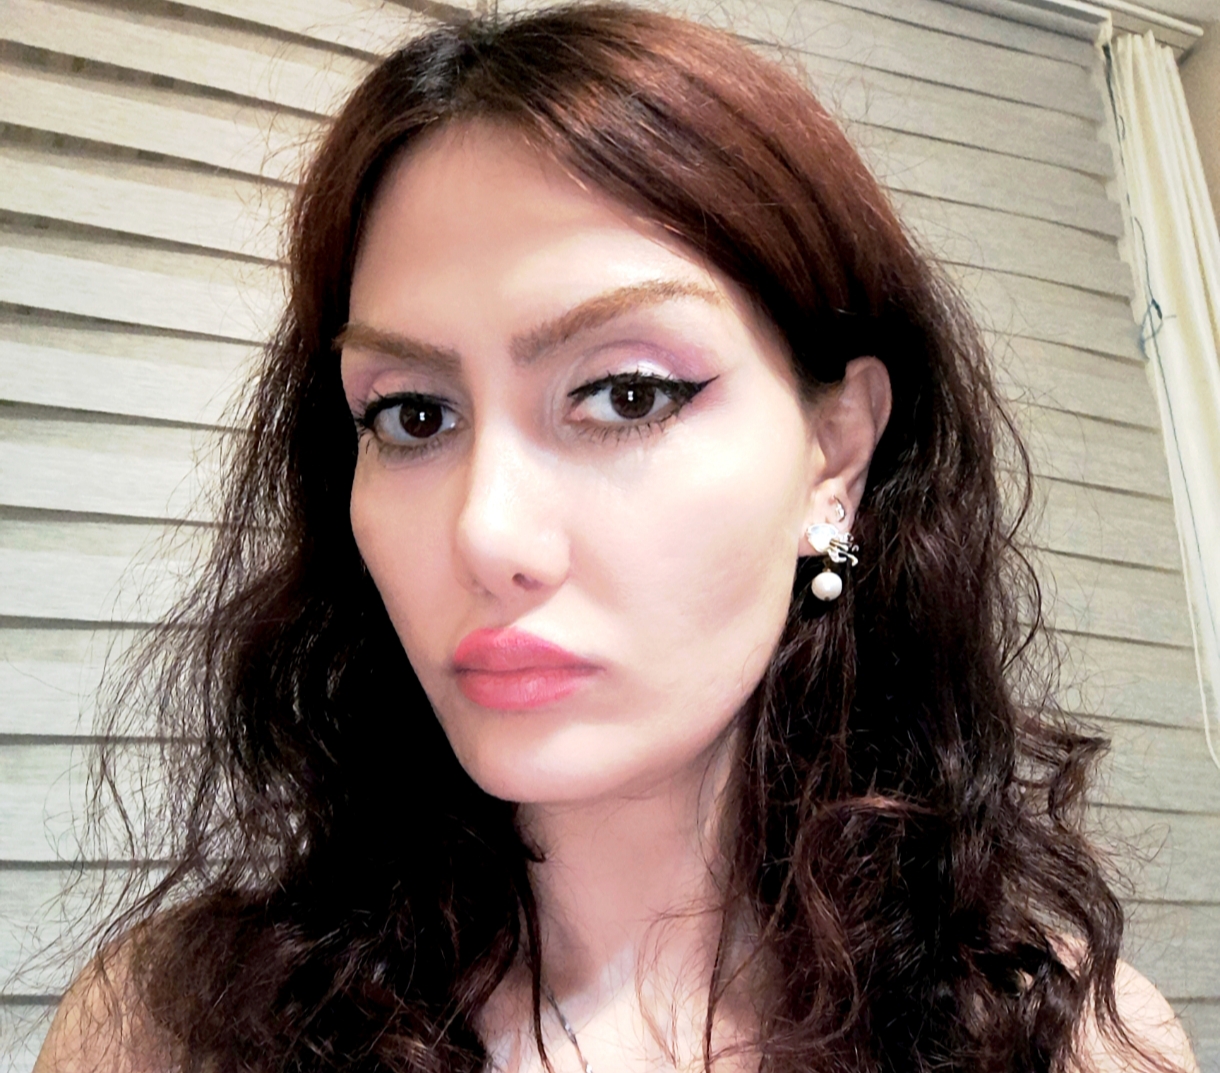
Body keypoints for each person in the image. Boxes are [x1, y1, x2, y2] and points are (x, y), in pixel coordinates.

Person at [34, 4, 1199, 1072]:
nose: (486, 531)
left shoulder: (1067, 1042)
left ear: (832, 452)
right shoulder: (165, 1030)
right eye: (412, 415)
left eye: (626, 394)